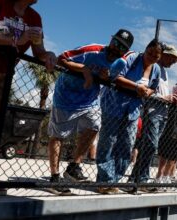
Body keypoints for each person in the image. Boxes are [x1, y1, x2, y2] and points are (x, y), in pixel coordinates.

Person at [47, 29, 134, 194]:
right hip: (66, 96)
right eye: (115, 43)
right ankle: (54, 177)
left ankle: (74, 165)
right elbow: (61, 59)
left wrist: (105, 77)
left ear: (126, 51)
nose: (117, 48)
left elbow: (110, 79)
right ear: (110, 40)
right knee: (59, 135)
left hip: (89, 99)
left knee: (94, 126)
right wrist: (84, 70)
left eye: (122, 47)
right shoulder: (92, 49)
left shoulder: (120, 63)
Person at [96, 39, 162, 194]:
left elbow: (154, 88)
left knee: (126, 145)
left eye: (156, 56)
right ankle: (103, 181)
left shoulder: (156, 69)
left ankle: (114, 180)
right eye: (150, 53)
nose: (151, 57)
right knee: (108, 142)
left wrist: (147, 92)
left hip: (133, 110)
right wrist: (136, 87)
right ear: (145, 49)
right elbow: (115, 76)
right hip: (114, 105)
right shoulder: (131, 57)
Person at [0, 0, 57, 146]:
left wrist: (49, 55)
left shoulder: (34, 18)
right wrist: (16, 40)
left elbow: (39, 51)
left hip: (3, 75)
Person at [129, 43, 177, 187]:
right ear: (164, 55)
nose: (173, 63)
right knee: (151, 144)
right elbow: (146, 89)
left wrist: (170, 99)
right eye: (172, 59)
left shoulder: (164, 71)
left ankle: (137, 176)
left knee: (151, 145)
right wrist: (163, 98)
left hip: (162, 112)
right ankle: (141, 178)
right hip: (151, 110)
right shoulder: (152, 67)